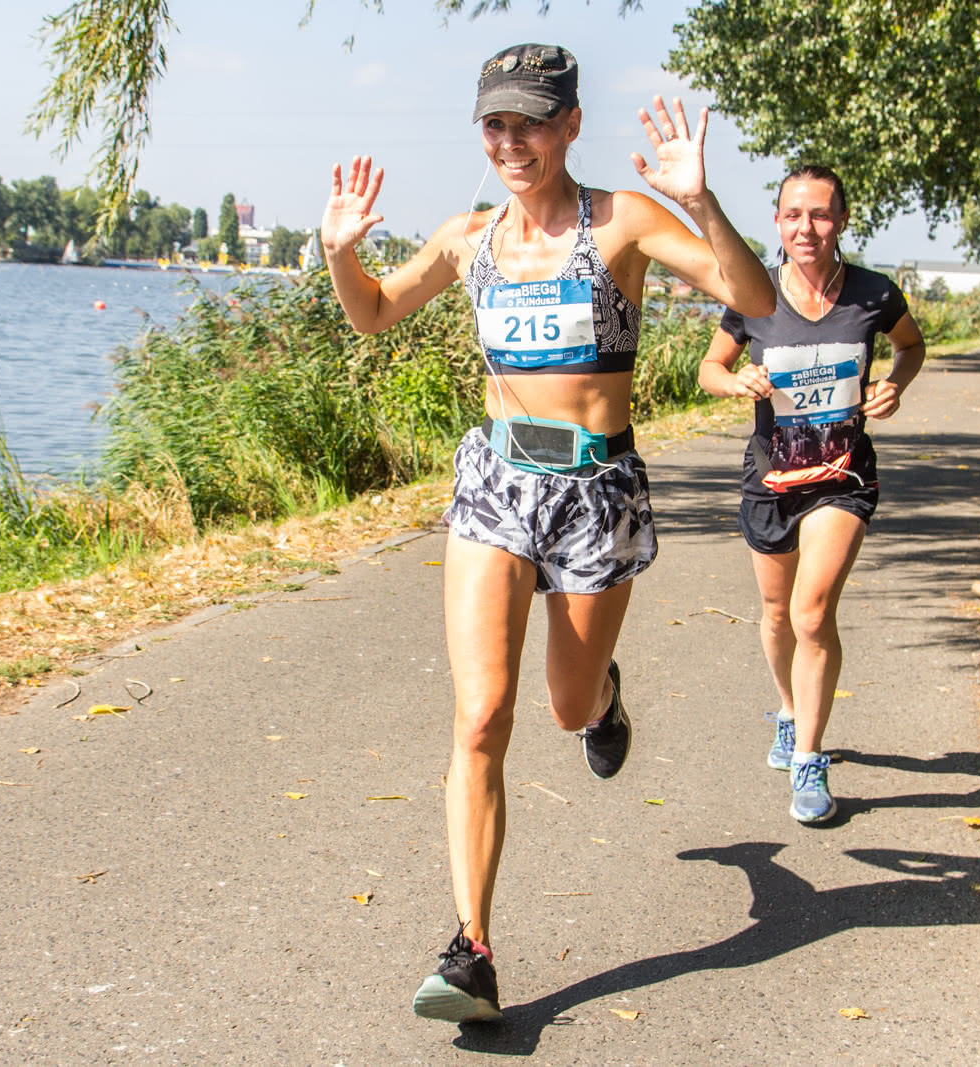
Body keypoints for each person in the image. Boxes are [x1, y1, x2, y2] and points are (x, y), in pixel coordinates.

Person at [318, 42, 774, 1023]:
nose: (511, 141)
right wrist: (338, 251)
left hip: (594, 491)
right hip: (495, 482)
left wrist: (701, 202)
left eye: (531, 121)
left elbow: (756, 300)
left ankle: (603, 697)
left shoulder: (623, 223)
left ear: (570, 125)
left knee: (564, 708)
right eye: (496, 123)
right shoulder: (467, 237)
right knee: (482, 714)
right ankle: (471, 948)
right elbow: (373, 314)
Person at [697, 164, 926, 824]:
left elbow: (910, 347)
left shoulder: (874, 294)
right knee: (775, 615)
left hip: (843, 476)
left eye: (820, 214)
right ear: (776, 222)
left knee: (811, 611)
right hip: (771, 479)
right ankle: (790, 711)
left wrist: (894, 383)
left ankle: (810, 759)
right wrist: (738, 384)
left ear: (842, 221)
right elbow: (710, 367)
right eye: (793, 214)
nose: (806, 226)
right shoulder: (755, 296)